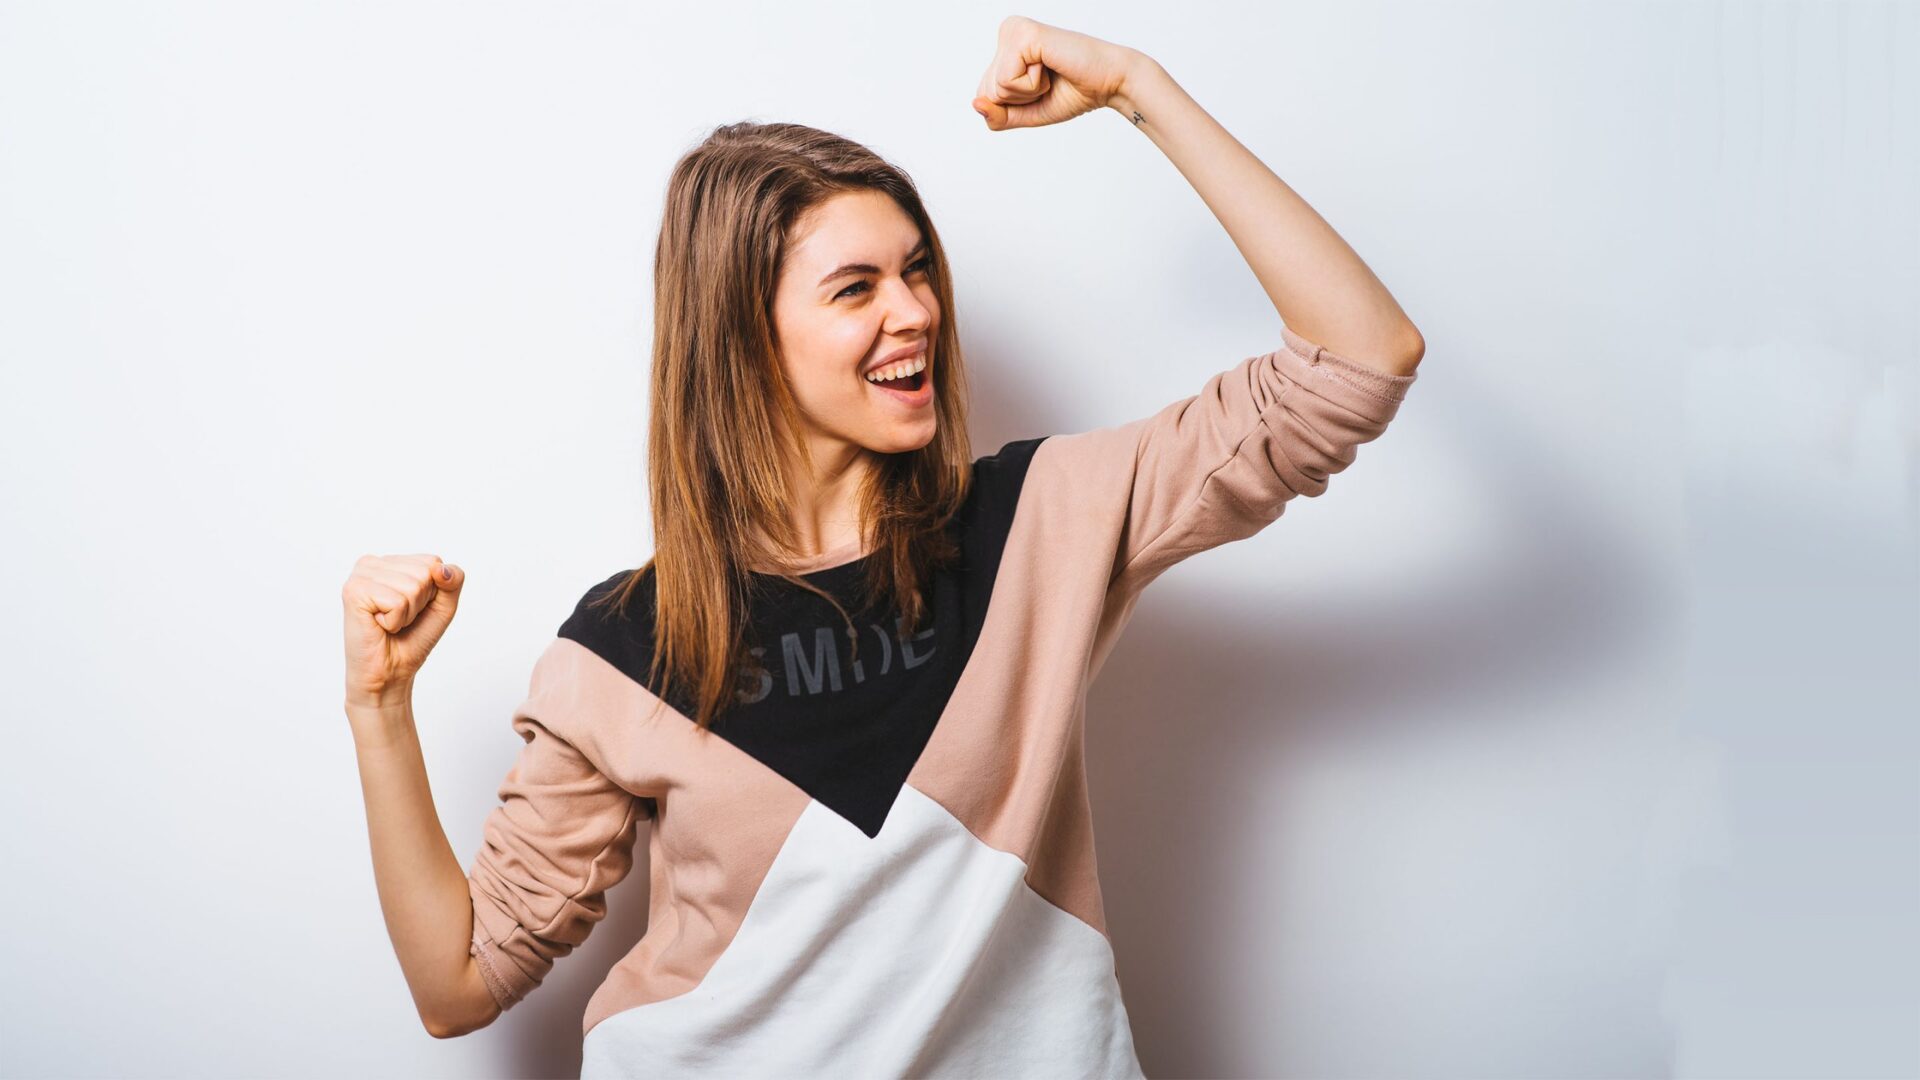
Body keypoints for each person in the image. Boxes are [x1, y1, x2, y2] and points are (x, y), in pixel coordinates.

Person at [341, 16, 1423, 1078]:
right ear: (741, 339)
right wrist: (380, 708)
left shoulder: (1040, 523)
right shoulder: (631, 645)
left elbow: (1361, 358)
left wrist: (1140, 86)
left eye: (917, 271)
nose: (914, 312)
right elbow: (460, 985)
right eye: (856, 289)